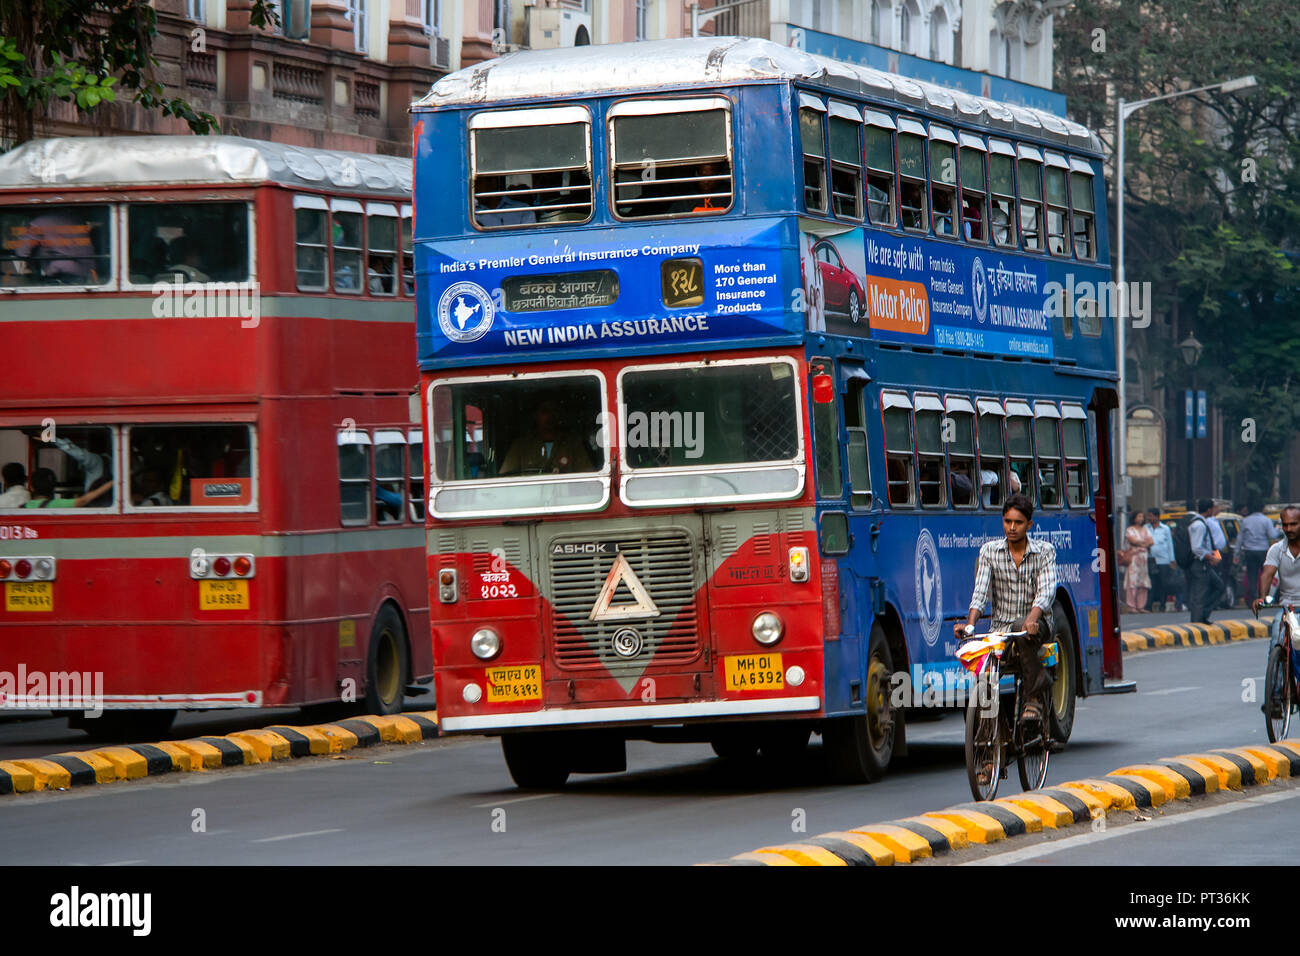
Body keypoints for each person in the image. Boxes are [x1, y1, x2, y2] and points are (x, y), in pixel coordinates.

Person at [956, 492, 1058, 765]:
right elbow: (981, 591)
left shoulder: (1044, 552)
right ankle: (988, 755)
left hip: (1038, 626)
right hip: (1001, 630)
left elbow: (1046, 592)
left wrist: (1033, 617)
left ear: (1030, 525)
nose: (1012, 528)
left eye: (1019, 522)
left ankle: (1035, 695)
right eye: (1007, 521)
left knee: (1021, 627)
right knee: (985, 681)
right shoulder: (990, 551)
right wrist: (970, 624)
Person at [497, 399, 592, 476]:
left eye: (554, 411)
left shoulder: (573, 444)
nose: (550, 416)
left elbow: (588, 475)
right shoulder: (520, 446)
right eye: (545, 411)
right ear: (536, 415)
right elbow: (506, 477)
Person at [1187, 497, 1226, 625]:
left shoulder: (1204, 523)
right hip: (1199, 563)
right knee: (1199, 593)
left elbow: (1210, 544)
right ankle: (1197, 622)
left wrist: (1214, 556)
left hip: (1205, 562)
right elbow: (1197, 547)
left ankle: (1204, 614)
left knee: (1219, 586)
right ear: (1209, 509)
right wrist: (1210, 557)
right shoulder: (1199, 525)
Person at [1238, 498, 1281, 609]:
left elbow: (1240, 538)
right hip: (1263, 551)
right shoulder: (1266, 520)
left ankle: (1252, 600)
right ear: (1262, 508)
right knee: (1265, 576)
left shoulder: (1246, 520)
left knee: (1252, 576)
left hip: (1249, 551)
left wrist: (1236, 553)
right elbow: (1272, 535)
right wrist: (1277, 530)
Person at [24, 467, 112, 508]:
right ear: (53, 489)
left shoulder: (23, 507)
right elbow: (83, 500)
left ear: (31, 487)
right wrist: (113, 482)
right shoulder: (56, 505)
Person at [1145, 509, 1177, 612]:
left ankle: (1162, 605)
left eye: (1151, 516)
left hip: (1163, 560)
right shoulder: (1146, 528)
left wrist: (1172, 559)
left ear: (1157, 517)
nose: (1149, 518)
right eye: (1148, 516)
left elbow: (1169, 544)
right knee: (1151, 583)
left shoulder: (1165, 529)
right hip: (1150, 559)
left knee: (1163, 583)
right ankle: (1149, 605)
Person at [1123, 511, 1154, 613]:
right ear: (1134, 518)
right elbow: (1133, 541)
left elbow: (1151, 542)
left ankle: (1140, 606)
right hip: (1133, 559)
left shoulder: (1145, 529)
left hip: (1143, 560)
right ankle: (1131, 606)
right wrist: (1144, 543)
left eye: (1142, 516)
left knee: (1143, 582)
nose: (1141, 518)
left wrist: (1142, 544)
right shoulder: (1129, 530)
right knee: (1132, 582)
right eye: (1139, 516)